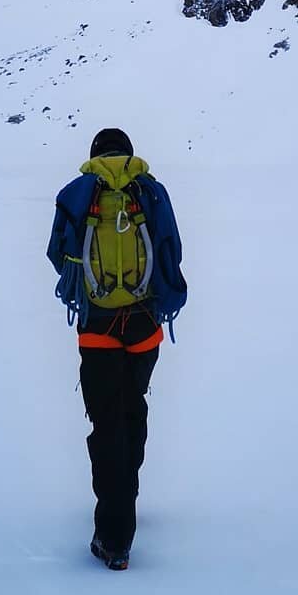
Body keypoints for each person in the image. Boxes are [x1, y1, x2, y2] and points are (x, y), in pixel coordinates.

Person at [47, 127, 187, 570]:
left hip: (97, 327)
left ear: (94, 155)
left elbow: (56, 253)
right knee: (133, 407)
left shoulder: (76, 194)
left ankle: (113, 535)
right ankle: (125, 499)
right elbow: (171, 249)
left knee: (107, 422)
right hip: (145, 325)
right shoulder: (152, 192)